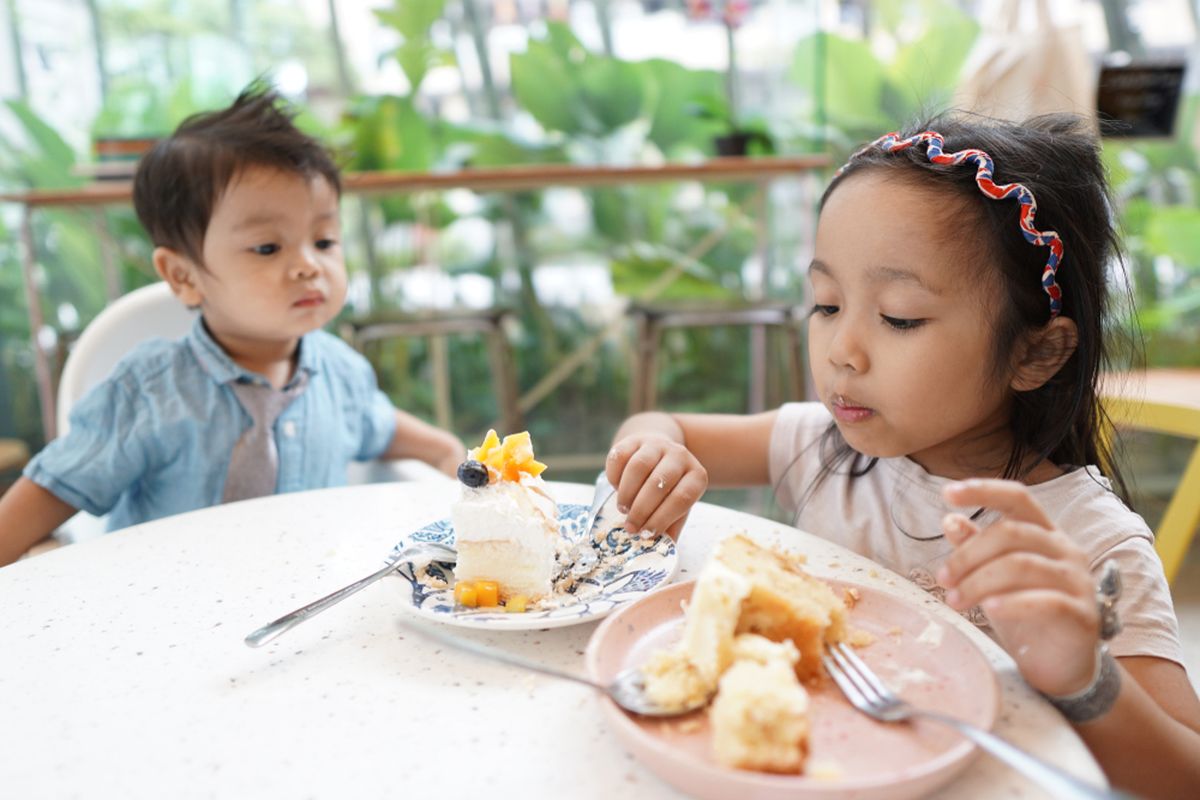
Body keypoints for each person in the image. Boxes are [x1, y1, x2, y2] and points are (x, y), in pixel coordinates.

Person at [605, 114, 1200, 798]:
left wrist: (1085, 677)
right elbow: (664, 424)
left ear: (1035, 352)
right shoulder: (822, 446)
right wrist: (652, 448)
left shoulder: (1091, 546)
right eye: (826, 304)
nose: (841, 351)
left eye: (899, 318)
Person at [0, 84, 464, 567]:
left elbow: (380, 426)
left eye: (324, 241)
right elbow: (53, 488)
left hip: (301, 601)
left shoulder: (341, 373)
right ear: (183, 276)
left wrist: (447, 451)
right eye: (268, 248)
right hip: (161, 607)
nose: (309, 265)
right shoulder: (151, 391)